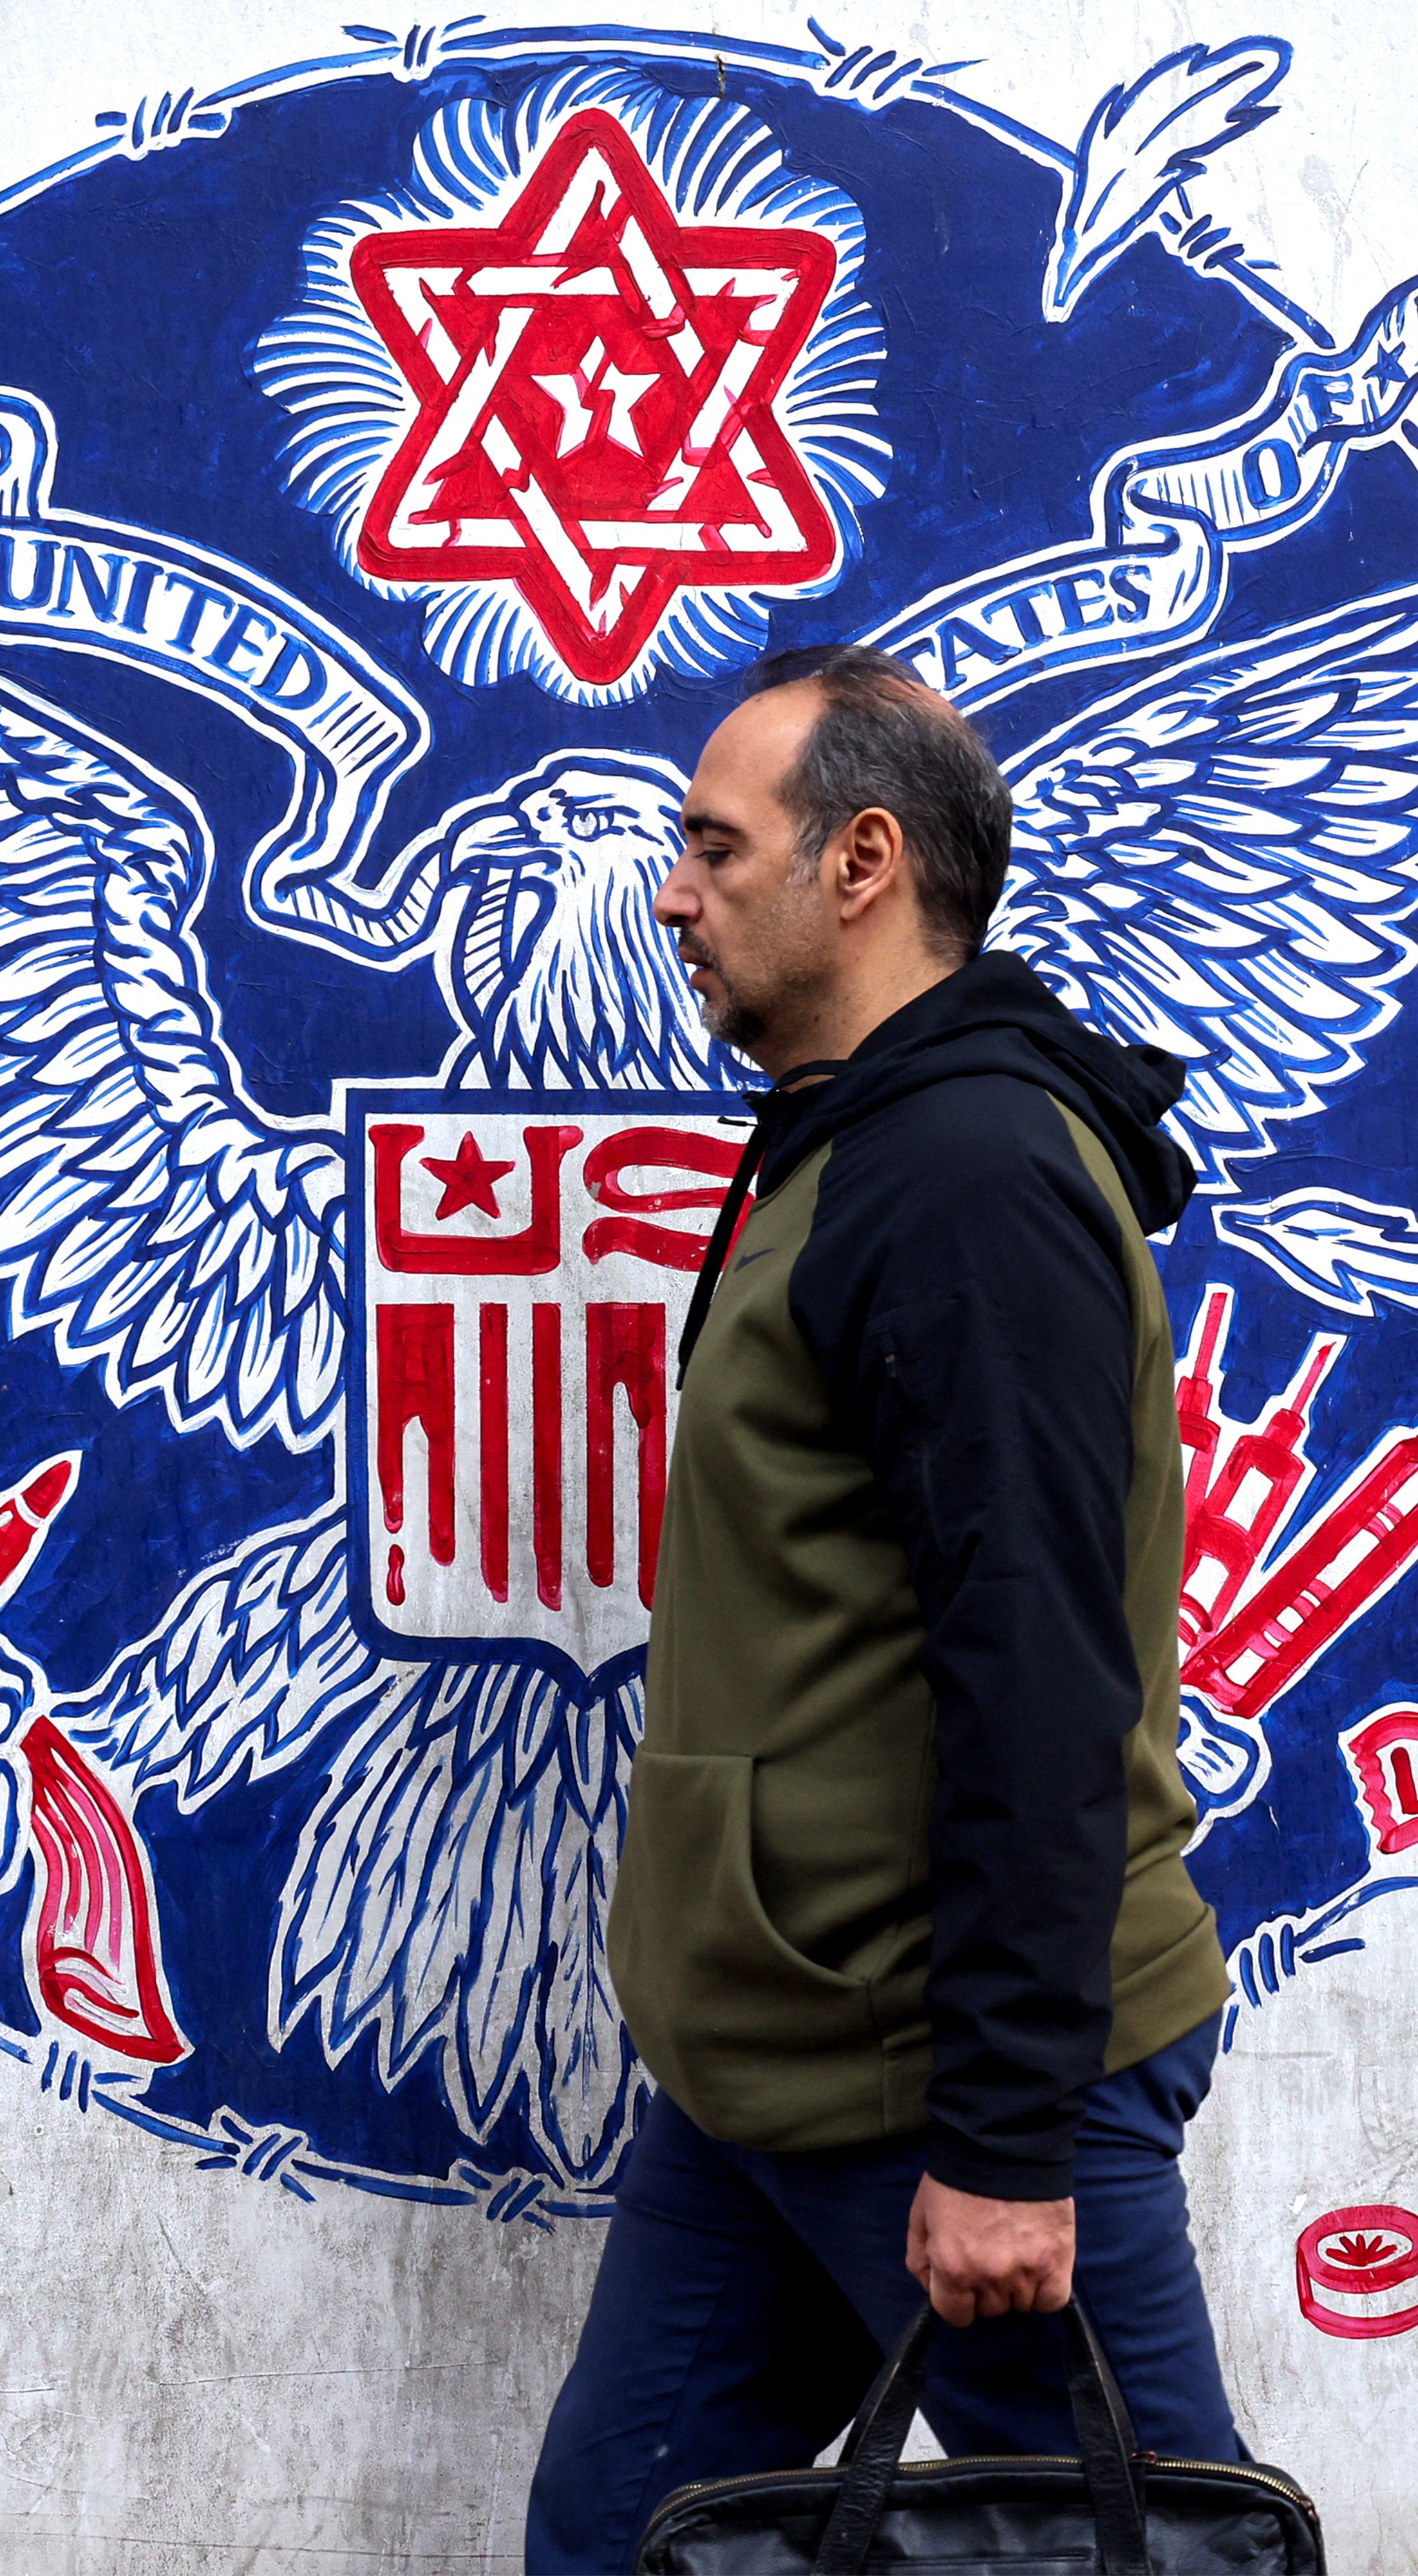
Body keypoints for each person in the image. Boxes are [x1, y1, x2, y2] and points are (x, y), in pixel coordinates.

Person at [523, 647, 1241, 2570]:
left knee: (1144, 2554)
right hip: (768, 2065)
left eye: (711, 847)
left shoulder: (969, 1179)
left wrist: (1005, 2146)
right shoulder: (857, 1140)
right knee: (616, 2541)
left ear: (861, 864)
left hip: (946, 2072)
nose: (672, 895)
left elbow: (1037, 1678)